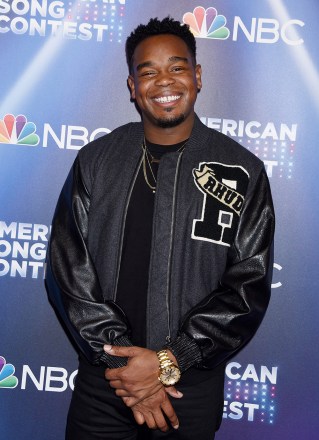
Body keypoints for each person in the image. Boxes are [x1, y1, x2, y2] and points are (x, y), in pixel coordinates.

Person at [45, 16, 275, 440]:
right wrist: (123, 365)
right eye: (147, 72)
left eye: (177, 67)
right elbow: (67, 270)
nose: (163, 81)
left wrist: (171, 360)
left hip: (190, 391)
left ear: (197, 76)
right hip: (105, 387)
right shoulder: (96, 160)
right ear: (133, 86)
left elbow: (249, 285)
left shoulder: (243, 170)